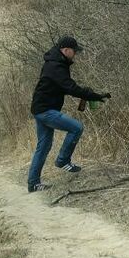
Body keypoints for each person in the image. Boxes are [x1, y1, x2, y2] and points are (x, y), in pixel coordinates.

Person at [26, 35, 110, 194]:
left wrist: (88, 94)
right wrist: (94, 95)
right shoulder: (56, 66)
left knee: (43, 147)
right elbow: (70, 87)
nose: (75, 54)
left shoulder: (56, 63)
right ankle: (63, 160)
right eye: (74, 51)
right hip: (46, 110)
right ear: (66, 50)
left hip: (40, 108)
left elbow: (65, 87)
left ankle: (33, 184)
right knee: (77, 128)